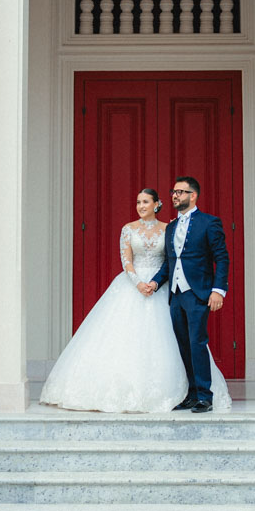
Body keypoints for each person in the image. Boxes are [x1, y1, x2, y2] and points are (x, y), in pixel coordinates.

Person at [40, 188, 231, 413]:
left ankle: (196, 393)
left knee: (184, 340)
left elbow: (172, 260)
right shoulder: (128, 229)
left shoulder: (169, 228)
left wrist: (155, 283)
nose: (141, 206)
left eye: (146, 202)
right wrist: (138, 282)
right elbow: (126, 260)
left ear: (157, 204)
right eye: (138, 202)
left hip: (163, 288)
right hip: (133, 286)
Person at [140, 175, 230, 413]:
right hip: (175, 295)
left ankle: (205, 396)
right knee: (183, 344)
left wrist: (218, 290)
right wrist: (155, 283)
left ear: (193, 196)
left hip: (198, 293)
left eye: (180, 192)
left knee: (197, 342)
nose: (175, 195)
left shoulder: (210, 223)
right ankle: (191, 394)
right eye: (173, 192)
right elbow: (169, 264)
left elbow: (221, 258)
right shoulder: (170, 227)